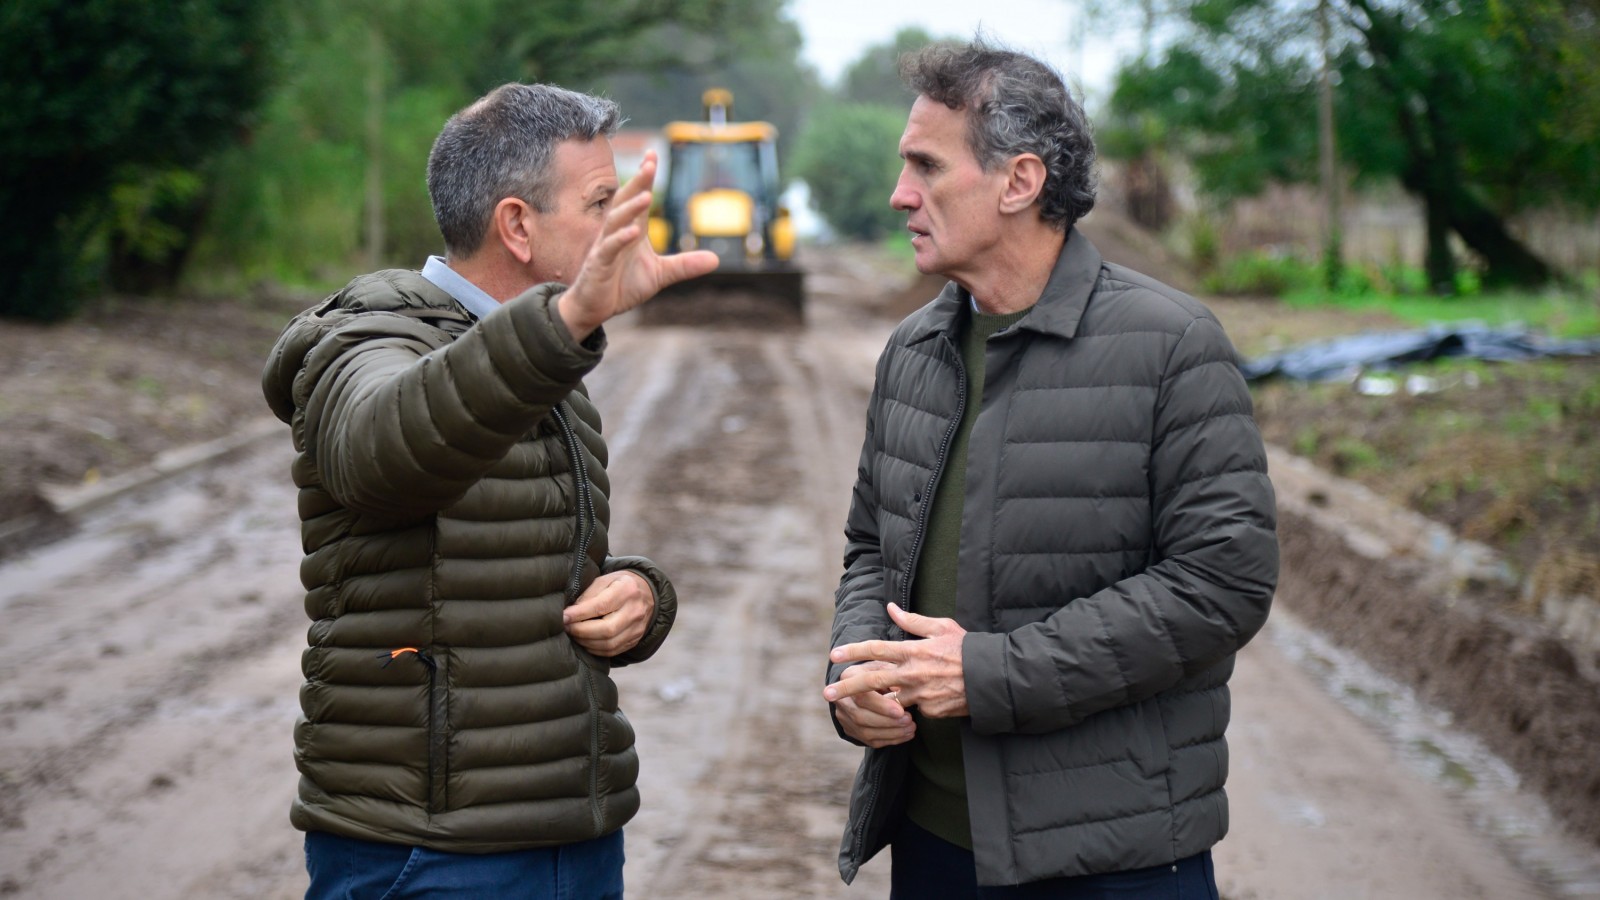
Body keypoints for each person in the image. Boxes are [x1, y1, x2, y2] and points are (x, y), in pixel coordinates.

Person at [822, 41, 1279, 897]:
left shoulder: (1171, 346)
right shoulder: (914, 350)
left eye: (927, 166)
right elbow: (871, 549)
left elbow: (1222, 584)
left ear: (1020, 181)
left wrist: (989, 674)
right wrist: (856, 671)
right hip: (932, 845)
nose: (900, 195)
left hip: (1115, 860)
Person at [262, 82, 717, 899]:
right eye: (602, 202)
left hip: (569, 829)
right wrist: (563, 325)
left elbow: (516, 562)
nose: (626, 224)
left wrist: (641, 595)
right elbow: (381, 454)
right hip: (431, 852)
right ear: (517, 226)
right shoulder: (367, 339)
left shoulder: (541, 363)